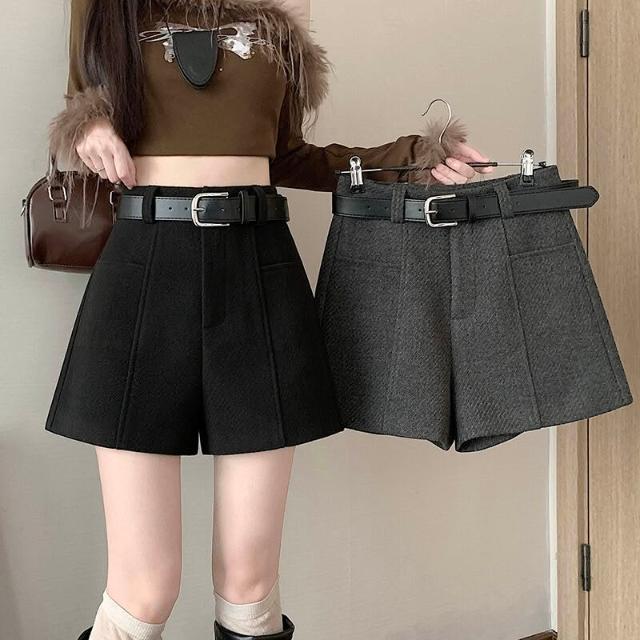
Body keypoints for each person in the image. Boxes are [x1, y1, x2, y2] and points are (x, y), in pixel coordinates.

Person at [44, 1, 494, 639]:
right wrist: (87, 126)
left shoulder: (280, 14)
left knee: (249, 583)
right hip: (142, 270)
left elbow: (287, 156)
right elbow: (79, 96)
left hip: (257, 270)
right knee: (145, 589)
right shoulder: (105, 5)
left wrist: (416, 158)